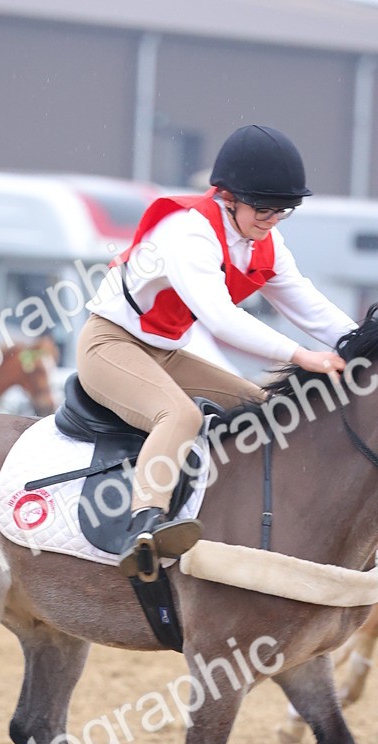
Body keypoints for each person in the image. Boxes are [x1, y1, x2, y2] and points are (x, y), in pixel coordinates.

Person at [78, 124, 356, 578]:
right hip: (109, 345)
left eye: (284, 211)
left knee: (266, 411)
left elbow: (305, 302)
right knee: (181, 417)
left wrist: (355, 341)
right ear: (229, 197)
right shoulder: (187, 231)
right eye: (264, 209)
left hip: (164, 354)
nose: (272, 220)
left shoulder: (264, 239)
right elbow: (220, 318)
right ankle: (143, 525)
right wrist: (303, 356)